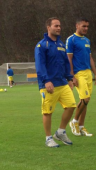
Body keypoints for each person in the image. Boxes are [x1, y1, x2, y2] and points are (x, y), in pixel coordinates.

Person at [35, 17, 77, 148]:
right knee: (47, 112)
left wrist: (69, 78)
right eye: (56, 26)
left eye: (59, 26)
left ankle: (60, 132)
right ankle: (48, 138)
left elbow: (65, 63)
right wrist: (46, 80)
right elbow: (40, 65)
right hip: (48, 85)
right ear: (48, 27)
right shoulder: (41, 45)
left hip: (62, 83)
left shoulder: (61, 45)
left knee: (71, 106)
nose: (59, 28)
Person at [66, 18, 96, 137]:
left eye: (87, 27)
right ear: (77, 25)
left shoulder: (87, 40)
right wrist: (71, 76)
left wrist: (95, 73)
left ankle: (81, 126)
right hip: (78, 73)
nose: (86, 28)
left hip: (87, 73)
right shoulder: (71, 40)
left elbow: (90, 58)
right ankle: (74, 121)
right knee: (85, 99)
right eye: (83, 26)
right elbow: (69, 58)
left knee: (85, 101)